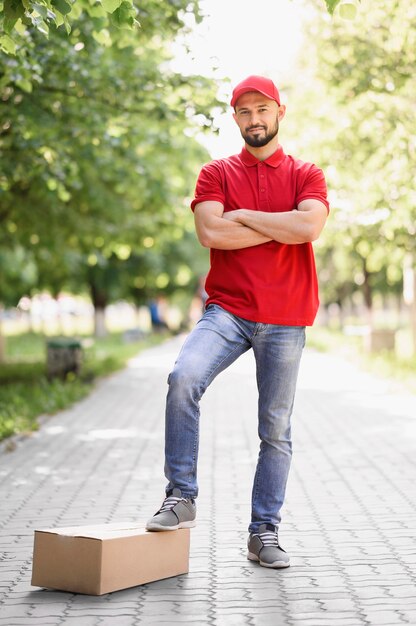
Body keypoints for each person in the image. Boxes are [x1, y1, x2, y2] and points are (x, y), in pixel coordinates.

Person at [146, 75, 329, 569]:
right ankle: (180, 495)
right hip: (227, 311)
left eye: (262, 110)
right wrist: (278, 225)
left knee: (275, 429)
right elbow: (211, 232)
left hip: (287, 316)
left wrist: (244, 216)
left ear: (279, 113)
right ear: (235, 119)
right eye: (244, 112)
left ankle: (263, 532)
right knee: (183, 378)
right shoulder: (215, 173)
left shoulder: (307, 173)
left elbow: (309, 226)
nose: (254, 119)